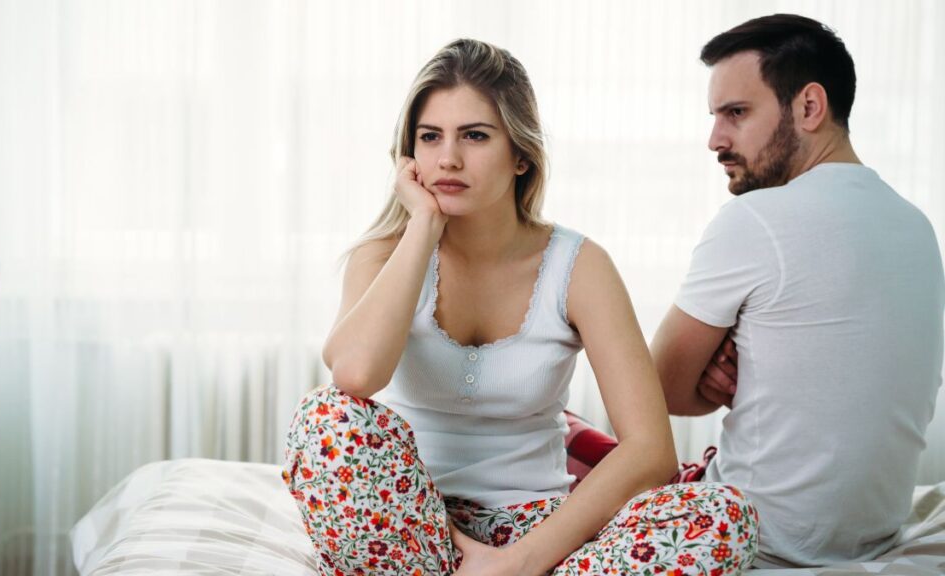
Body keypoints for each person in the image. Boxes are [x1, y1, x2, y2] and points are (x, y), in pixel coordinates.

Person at [283, 38, 758, 576]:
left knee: (724, 516)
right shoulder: (383, 255)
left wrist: (521, 561)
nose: (448, 159)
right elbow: (355, 374)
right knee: (325, 416)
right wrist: (422, 226)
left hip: (538, 528)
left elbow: (651, 451)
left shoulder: (580, 266)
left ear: (521, 156)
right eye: (430, 137)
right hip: (409, 523)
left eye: (475, 136)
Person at [651, 14, 945, 568]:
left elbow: (657, 389)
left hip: (755, 544)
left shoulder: (755, 219)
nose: (715, 139)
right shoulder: (918, 227)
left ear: (809, 107)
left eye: (736, 113)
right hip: (872, 534)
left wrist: (710, 382)